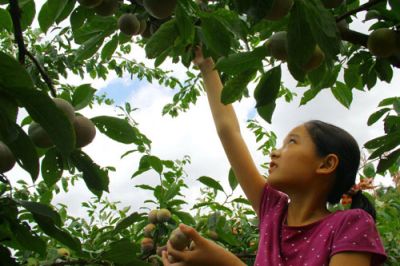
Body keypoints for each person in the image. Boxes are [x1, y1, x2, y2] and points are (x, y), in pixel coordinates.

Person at [161, 46, 387, 266]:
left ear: (326, 163)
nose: (274, 152)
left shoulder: (351, 224)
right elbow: (229, 133)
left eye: (292, 142)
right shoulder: (273, 212)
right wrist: (207, 65)